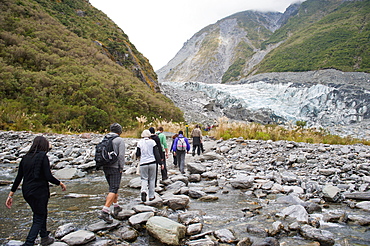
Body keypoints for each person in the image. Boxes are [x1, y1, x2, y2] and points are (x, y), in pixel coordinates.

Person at [5, 136, 67, 246]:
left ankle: (44, 237)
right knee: (39, 216)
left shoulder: (25, 158)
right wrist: (60, 183)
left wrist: (10, 195)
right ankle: (29, 243)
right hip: (39, 191)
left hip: (27, 191)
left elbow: (18, 178)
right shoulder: (43, 157)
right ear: (44, 145)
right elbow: (48, 176)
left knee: (40, 212)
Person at [98, 123, 126, 224]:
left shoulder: (105, 138)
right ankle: (105, 211)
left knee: (113, 188)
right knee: (113, 189)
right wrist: (121, 168)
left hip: (106, 166)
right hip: (115, 167)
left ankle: (116, 206)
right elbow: (121, 156)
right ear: (119, 131)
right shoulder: (119, 140)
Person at [136, 130, 163, 202]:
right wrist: (160, 163)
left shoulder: (139, 142)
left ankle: (143, 191)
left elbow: (137, 154)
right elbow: (156, 153)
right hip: (152, 162)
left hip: (143, 163)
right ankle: (151, 196)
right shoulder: (152, 142)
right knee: (152, 179)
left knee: (144, 179)